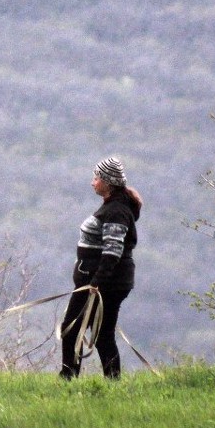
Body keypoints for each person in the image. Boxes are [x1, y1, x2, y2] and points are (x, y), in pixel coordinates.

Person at [59, 157, 142, 379]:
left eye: (96, 178)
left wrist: (95, 283)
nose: (92, 182)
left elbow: (112, 252)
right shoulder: (113, 206)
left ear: (108, 182)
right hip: (105, 282)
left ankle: (68, 377)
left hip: (101, 284)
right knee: (103, 334)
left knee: (71, 329)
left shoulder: (116, 211)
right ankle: (112, 380)